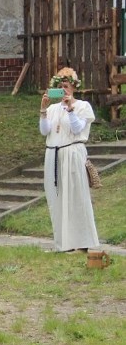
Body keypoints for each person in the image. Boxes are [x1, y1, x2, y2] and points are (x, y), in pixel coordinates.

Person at [39, 67, 99, 252]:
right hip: (53, 153)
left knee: (77, 196)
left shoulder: (82, 106)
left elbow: (77, 128)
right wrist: (43, 109)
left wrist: (71, 109)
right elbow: (44, 131)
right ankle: (63, 243)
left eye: (66, 86)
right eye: (60, 86)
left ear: (73, 87)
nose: (63, 90)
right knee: (56, 197)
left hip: (73, 152)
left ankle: (82, 242)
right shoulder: (52, 108)